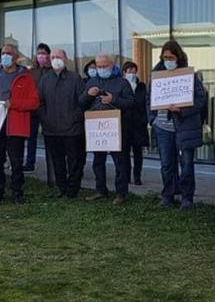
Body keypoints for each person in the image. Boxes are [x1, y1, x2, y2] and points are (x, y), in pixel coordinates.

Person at [150, 40, 208, 211]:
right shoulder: (156, 75)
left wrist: (181, 110)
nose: (167, 60)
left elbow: (200, 100)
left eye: (171, 57)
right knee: (167, 164)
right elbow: (149, 98)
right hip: (162, 126)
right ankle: (168, 195)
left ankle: (187, 197)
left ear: (178, 57)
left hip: (184, 127)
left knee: (187, 164)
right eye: (164, 57)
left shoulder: (189, 76)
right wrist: (152, 119)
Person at [0, 43, 40, 205]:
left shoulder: (25, 77)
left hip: (15, 126)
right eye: (3, 53)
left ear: (15, 56)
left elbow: (33, 102)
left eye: (8, 53)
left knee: (16, 162)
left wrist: (13, 103)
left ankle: (17, 192)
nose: (4, 56)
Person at [80, 53, 136, 203]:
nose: (102, 68)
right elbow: (81, 103)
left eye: (105, 66)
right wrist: (87, 94)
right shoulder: (91, 82)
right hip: (97, 129)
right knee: (98, 161)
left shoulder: (122, 83)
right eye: (99, 66)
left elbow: (131, 103)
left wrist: (114, 100)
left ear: (112, 66)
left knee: (120, 162)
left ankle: (121, 193)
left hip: (116, 128)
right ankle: (100, 190)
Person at [37, 48, 86, 199]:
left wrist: (74, 118)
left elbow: (82, 102)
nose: (55, 59)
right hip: (51, 129)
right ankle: (61, 188)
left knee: (75, 162)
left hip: (72, 130)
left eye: (58, 56)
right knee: (57, 162)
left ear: (65, 59)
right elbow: (40, 103)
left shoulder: (75, 78)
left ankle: (73, 190)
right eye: (52, 57)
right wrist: (45, 119)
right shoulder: (45, 79)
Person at [122, 61, 148, 185]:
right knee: (125, 153)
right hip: (125, 124)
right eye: (129, 70)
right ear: (124, 72)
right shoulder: (121, 85)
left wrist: (145, 119)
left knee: (138, 152)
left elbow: (146, 102)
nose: (131, 73)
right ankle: (126, 177)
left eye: (133, 70)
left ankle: (137, 177)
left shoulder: (142, 86)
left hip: (139, 124)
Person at [27, 42, 51, 174]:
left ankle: (51, 163)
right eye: (39, 53)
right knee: (31, 137)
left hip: (47, 108)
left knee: (49, 137)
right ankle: (30, 162)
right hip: (33, 108)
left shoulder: (52, 71)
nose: (41, 56)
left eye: (44, 53)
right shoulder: (32, 72)